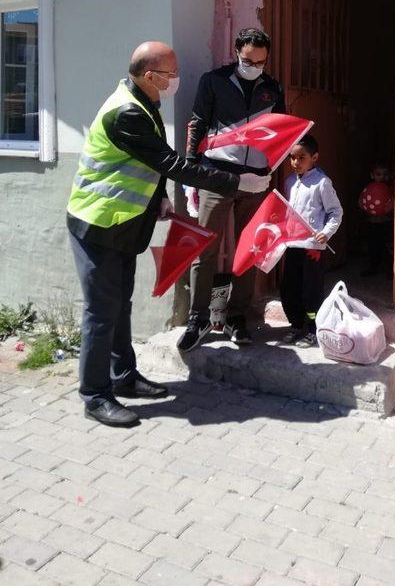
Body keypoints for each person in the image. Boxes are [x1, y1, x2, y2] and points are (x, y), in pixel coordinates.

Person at [67, 41, 270, 428]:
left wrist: (158, 197)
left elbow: (148, 162)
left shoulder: (144, 100)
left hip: (123, 224)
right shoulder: (128, 111)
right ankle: (94, 395)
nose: (176, 79)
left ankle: (123, 377)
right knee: (100, 313)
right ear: (149, 75)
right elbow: (171, 162)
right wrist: (236, 180)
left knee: (119, 305)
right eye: (171, 73)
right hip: (97, 224)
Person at [178, 28, 285, 351]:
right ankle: (198, 319)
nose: (255, 66)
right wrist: (190, 176)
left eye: (261, 61)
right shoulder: (214, 81)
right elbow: (197, 122)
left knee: (249, 249)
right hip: (215, 174)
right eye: (248, 60)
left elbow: (282, 130)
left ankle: (237, 316)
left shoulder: (272, 88)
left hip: (255, 179)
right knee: (204, 249)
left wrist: (270, 169)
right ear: (237, 50)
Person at [280, 135, 343, 347]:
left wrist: (327, 232)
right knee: (289, 287)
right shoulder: (290, 182)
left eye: (301, 157)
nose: (295, 162)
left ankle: (313, 329)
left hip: (313, 248)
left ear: (314, 157)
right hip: (292, 245)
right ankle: (296, 325)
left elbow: (335, 212)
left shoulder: (322, 183)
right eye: (292, 157)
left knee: (311, 290)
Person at [358, 161, 394, 277]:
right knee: (373, 246)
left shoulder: (391, 189)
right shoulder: (369, 188)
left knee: (389, 247)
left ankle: (390, 270)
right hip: (372, 222)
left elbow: (394, 203)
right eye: (378, 174)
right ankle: (373, 267)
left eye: (385, 174)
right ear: (372, 175)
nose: (382, 177)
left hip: (387, 222)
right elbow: (361, 201)